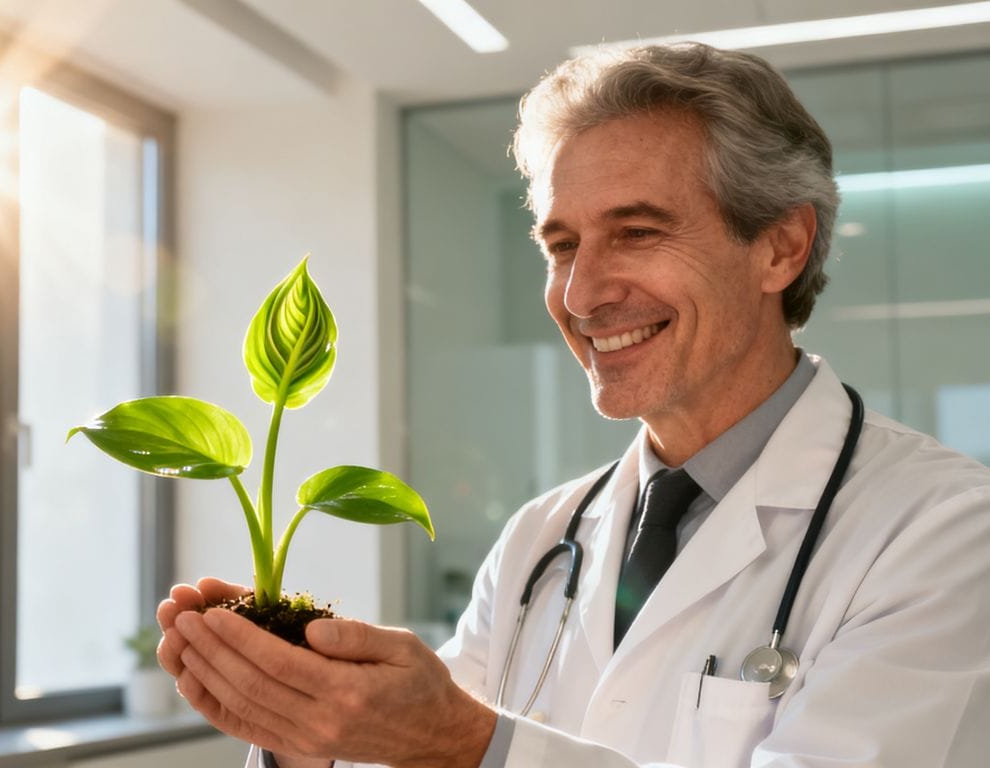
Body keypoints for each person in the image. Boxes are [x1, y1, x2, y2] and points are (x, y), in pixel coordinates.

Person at [155, 42, 990, 767]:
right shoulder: (542, 539)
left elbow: (465, 746)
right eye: (562, 246)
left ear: (780, 246)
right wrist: (312, 737)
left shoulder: (944, 531)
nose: (582, 294)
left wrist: (461, 744)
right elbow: (428, 754)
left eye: (636, 232)